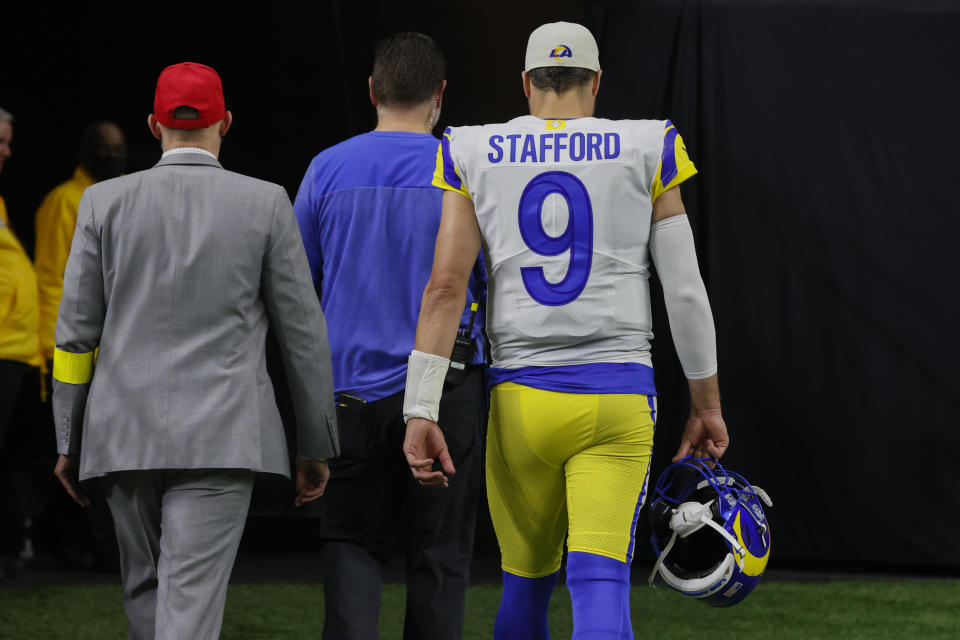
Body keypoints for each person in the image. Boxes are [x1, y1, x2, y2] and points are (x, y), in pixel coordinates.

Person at [402, 22, 730, 640]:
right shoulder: (646, 143)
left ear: (525, 83)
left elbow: (445, 288)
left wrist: (421, 406)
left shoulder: (472, 148)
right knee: (600, 586)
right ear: (597, 82)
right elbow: (684, 289)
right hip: (616, 396)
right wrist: (706, 403)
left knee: (523, 590)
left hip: (522, 401)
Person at [51, 62, 339, 640]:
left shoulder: (102, 203)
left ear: (154, 125)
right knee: (190, 605)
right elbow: (303, 337)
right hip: (224, 437)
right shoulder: (265, 203)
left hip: (121, 434)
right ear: (225, 122)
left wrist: (68, 438)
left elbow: (75, 336)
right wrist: (315, 443)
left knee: (144, 591)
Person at [293, 32, 487, 640]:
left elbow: (298, 292)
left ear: (373, 90)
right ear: (441, 94)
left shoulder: (327, 168)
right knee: (441, 557)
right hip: (445, 393)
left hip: (348, 399)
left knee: (351, 545)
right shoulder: (464, 167)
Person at [35, 121, 127, 366]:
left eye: (118, 151)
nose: (111, 157)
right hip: (80, 342)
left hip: (127, 341)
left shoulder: (134, 194)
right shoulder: (63, 201)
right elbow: (50, 277)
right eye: (103, 150)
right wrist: (53, 344)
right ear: (85, 154)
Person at [0, 106, 42, 578]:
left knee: (14, 459)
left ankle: (16, 544)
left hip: (16, 351)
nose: (8, 152)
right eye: (1, 143)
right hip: (3, 349)